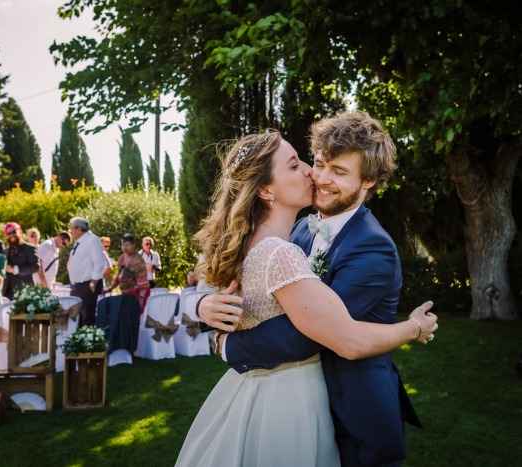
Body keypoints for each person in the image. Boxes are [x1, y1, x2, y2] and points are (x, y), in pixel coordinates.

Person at [182, 122, 438, 467]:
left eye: (339, 171)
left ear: (369, 181)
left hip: (352, 412)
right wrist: (202, 305)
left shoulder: (373, 247)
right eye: (318, 164)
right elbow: (236, 284)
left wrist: (225, 345)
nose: (320, 178)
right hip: (293, 399)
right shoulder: (296, 230)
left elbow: (304, 335)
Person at [67, 217, 105, 326]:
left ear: (79, 229)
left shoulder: (92, 240)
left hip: (87, 285)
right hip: (77, 286)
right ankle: (78, 342)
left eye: (72, 228)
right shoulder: (79, 242)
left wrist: (93, 284)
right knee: (76, 319)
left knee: (87, 318)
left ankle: (88, 342)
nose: (70, 231)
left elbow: (99, 262)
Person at [102, 234, 150, 313]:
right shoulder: (122, 258)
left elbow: (143, 282)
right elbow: (119, 276)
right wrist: (109, 289)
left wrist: (141, 299)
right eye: (123, 245)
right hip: (126, 293)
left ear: (133, 245)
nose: (124, 247)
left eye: (127, 245)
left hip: (138, 293)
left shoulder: (137, 260)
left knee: (134, 317)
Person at [2, 222, 40, 300]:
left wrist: (15, 269)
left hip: (25, 291)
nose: (12, 235)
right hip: (8, 293)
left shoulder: (30, 248)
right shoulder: (5, 251)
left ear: (20, 232)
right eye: (8, 233)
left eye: (14, 232)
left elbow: (35, 267)